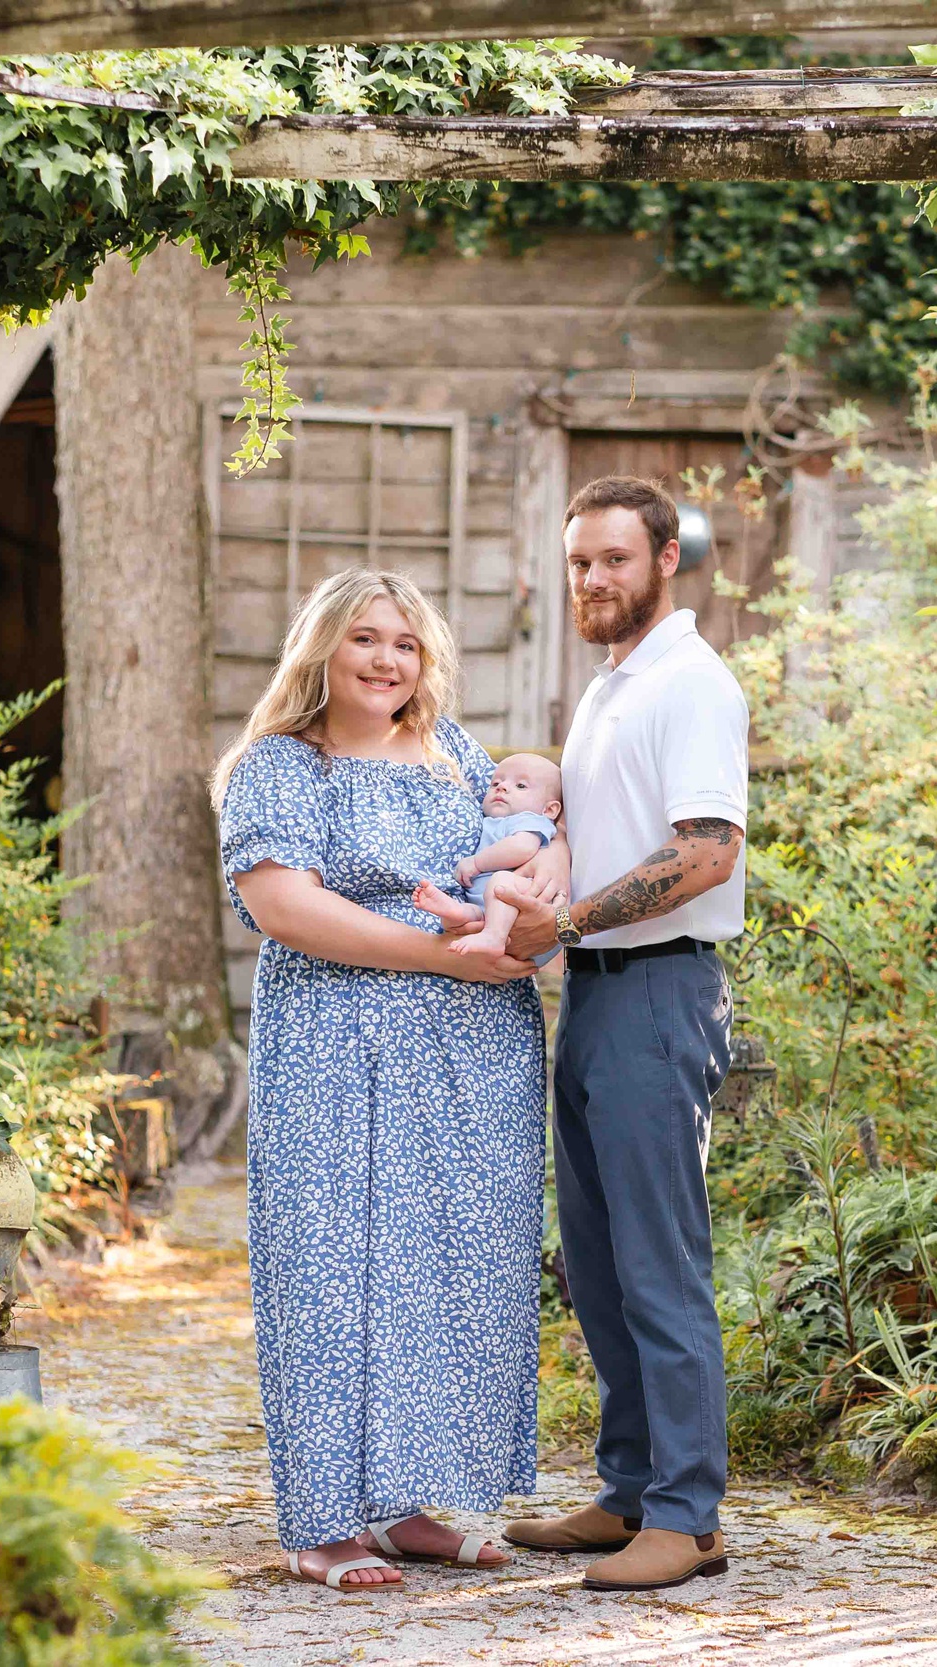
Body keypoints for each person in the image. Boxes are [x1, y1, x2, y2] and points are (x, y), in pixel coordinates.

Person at [211, 568, 561, 1592]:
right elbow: (285, 908)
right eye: (364, 638)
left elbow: (526, 849)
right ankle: (322, 1520)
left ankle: (405, 1503)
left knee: (443, 1263)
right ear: (322, 647)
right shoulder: (282, 765)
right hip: (332, 1041)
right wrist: (442, 955)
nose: (384, 660)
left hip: (471, 1054)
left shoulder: (456, 754)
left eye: (403, 643)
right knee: (330, 1263)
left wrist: (535, 900)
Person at [498, 475, 748, 1594]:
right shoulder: (613, 684)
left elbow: (706, 850)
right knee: (598, 1264)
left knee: (659, 1261)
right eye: (578, 563)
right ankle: (630, 1490)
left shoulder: (689, 683)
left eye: (613, 559)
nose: (593, 580)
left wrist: (572, 918)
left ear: (664, 561)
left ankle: (689, 1517)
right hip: (596, 991)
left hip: (657, 992)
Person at [411, 751, 567, 961]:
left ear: (549, 809)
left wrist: (477, 863)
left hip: (523, 902)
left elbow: (522, 848)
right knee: (467, 916)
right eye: (495, 784)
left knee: (502, 882)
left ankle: (494, 936)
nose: (502, 787)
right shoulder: (493, 821)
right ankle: (456, 913)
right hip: (492, 909)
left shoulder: (531, 821)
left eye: (520, 786)